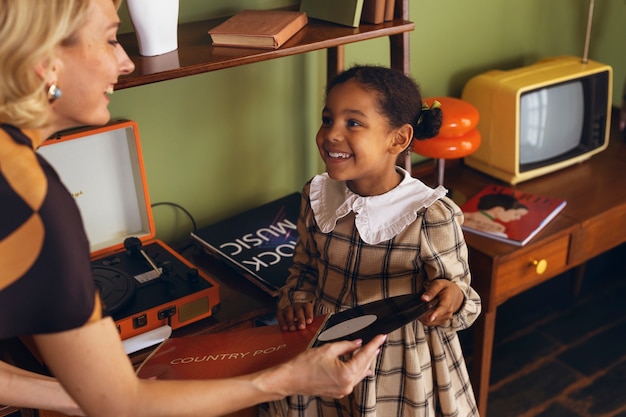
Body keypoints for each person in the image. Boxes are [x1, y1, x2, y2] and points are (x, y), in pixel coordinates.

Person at [0, 1, 386, 416]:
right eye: (111, 38)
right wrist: (284, 380)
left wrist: (83, 395)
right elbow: (124, 407)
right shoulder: (31, 197)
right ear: (46, 61)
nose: (125, 63)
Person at [273, 65, 482, 417]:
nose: (331, 134)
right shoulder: (317, 193)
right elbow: (305, 265)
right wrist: (296, 298)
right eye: (328, 119)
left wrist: (451, 296)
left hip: (397, 365)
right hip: (325, 349)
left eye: (353, 123)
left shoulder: (429, 215)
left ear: (398, 139)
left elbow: (463, 297)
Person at [463, 193, 529, 238]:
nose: (518, 218)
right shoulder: (498, 229)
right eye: (516, 214)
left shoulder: (461, 215)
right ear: (499, 209)